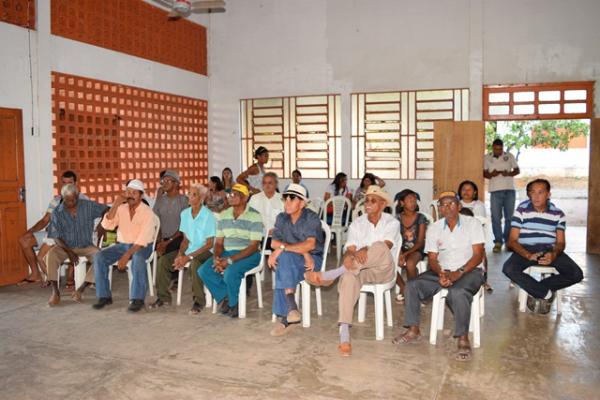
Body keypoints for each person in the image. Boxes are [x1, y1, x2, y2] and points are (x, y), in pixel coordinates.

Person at [305, 186, 399, 357]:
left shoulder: (392, 222)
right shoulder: (357, 223)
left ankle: (332, 274)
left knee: (379, 246)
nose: (368, 204)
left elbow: (387, 246)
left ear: (383, 204)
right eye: (366, 200)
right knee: (348, 276)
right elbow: (350, 250)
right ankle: (344, 335)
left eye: (373, 201)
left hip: (382, 270)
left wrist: (363, 249)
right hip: (360, 270)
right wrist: (350, 254)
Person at [394, 191, 485, 362]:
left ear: (459, 206)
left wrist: (459, 273)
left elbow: (478, 255)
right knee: (412, 285)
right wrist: (441, 273)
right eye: (443, 204)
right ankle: (413, 329)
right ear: (439, 209)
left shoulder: (473, 224)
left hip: (470, 270)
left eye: (451, 203)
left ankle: (463, 338)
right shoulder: (434, 228)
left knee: (457, 292)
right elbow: (433, 258)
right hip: (443, 270)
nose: (447, 207)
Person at [502, 179, 583, 314]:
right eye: (532, 192)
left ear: (548, 194)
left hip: (549, 249)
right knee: (508, 268)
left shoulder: (558, 214)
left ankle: (536, 290)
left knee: (576, 274)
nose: (536, 196)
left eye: (540, 192)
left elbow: (561, 243)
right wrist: (527, 255)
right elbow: (512, 240)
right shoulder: (521, 210)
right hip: (525, 248)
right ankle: (546, 294)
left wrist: (554, 254)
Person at [198, 184, 263, 318]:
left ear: (245, 198)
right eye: (229, 194)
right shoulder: (224, 215)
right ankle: (227, 296)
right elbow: (219, 242)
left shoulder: (254, 216)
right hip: (228, 252)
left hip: (250, 254)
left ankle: (234, 304)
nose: (230, 197)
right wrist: (216, 257)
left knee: (230, 271)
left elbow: (253, 246)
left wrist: (229, 260)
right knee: (204, 270)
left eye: (235, 194)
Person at [92, 179, 157, 313]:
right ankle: (104, 296)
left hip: (143, 246)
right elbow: (106, 225)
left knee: (138, 258)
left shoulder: (147, 212)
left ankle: (137, 299)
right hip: (123, 245)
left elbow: (143, 239)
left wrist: (127, 255)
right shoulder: (121, 209)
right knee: (99, 256)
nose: (131, 195)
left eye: (134, 193)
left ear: (141, 195)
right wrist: (115, 204)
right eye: (128, 192)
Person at [150, 184, 216, 314]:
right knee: (164, 260)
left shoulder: (208, 215)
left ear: (201, 197)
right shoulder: (185, 214)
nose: (189, 197)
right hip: (189, 249)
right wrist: (180, 254)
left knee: (195, 264)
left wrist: (188, 257)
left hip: (206, 251)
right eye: (189, 194)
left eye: (194, 194)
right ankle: (163, 297)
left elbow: (209, 244)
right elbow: (185, 240)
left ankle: (199, 301)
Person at [268, 184, 324, 336]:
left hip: (312, 260)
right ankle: (291, 309)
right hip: (294, 258)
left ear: (302, 203)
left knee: (283, 259)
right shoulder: (281, 218)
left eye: (292, 198)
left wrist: (282, 249)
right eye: (285, 198)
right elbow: (273, 243)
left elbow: (310, 244)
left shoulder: (311, 217)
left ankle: (286, 316)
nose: (287, 202)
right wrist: (290, 250)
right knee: (285, 260)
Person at [17, 170, 88, 288]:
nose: (66, 186)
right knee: (24, 239)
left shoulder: (83, 200)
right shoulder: (56, 200)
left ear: (76, 184)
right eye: (64, 183)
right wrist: (29, 231)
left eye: (70, 183)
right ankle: (36, 274)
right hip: (52, 234)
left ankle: (71, 278)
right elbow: (45, 220)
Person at [44, 184, 107, 306]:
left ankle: (80, 290)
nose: (71, 203)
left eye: (73, 199)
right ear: (62, 198)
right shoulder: (57, 213)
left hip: (85, 245)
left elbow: (106, 209)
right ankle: (55, 293)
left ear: (77, 196)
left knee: (101, 257)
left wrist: (102, 224)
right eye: (67, 200)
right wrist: (69, 252)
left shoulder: (88, 206)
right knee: (50, 255)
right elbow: (56, 237)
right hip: (65, 247)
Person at [484, 138, 520, 253]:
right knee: (495, 218)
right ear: (492, 148)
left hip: (509, 190)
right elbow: (484, 173)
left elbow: (517, 170)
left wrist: (508, 173)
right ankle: (498, 242)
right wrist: (491, 174)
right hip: (495, 191)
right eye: (496, 149)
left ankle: (508, 241)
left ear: (503, 148)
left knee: (509, 218)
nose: (498, 151)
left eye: (500, 149)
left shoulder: (509, 156)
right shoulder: (487, 157)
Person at [395, 189, 428, 303]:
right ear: (402, 203)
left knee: (410, 264)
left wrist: (405, 254)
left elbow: (420, 242)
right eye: (410, 200)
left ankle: (413, 291)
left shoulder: (421, 218)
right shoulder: (397, 219)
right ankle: (403, 287)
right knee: (387, 263)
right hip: (402, 248)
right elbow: (396, 239)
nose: (413, 203)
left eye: (415, 200)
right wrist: (399, 254)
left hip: (417, 249)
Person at [153, 170, 189, 258]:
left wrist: (167, 242)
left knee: (168, 252)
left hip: (178, 238)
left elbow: (184, 226)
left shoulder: (184, 200)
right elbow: (156, 222)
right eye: (163, 181)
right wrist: (160, 240)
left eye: (167, 181)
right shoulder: (160, 200)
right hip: (163, 238)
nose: (164, 184)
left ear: (176, 183)